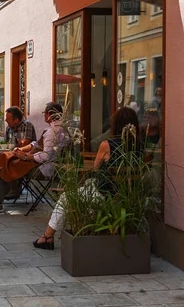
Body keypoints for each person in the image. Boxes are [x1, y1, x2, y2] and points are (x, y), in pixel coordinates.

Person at [33, 107, 142, 250]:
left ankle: (47, 237)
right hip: (127, 196)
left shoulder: (107, 145)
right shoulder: (139, 145)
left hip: (105, 194)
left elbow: (96, 169)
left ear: (115, 125)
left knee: (66, 197)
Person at [0, 103, 68, 212]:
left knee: (5, 164)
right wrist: (22, 150)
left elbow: (46, 156)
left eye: (44, 113)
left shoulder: (53, 131)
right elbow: (36, 144)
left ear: (49, 114)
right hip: (35, 160)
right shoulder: (58, 128)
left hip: (42, 166)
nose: (44, 115)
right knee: (3, 159)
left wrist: (26, 156)